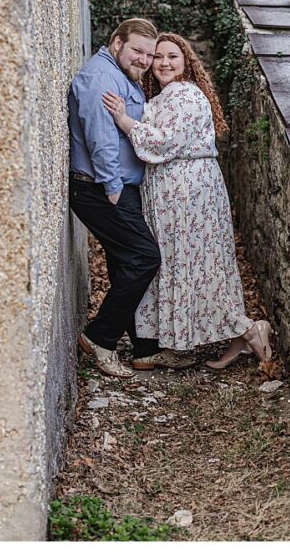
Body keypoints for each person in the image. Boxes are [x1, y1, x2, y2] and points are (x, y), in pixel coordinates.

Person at [102, 32, 272, 369]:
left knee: (198, 264)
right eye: (159, 57)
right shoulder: (164, 96)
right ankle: (220, 334)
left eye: (172, 57)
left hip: (190, 194)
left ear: (186, 62)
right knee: (181, 264)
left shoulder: (186, 95)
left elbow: (166, 142)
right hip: (172, 195)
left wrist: (124, 121)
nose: (164, 63)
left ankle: (250, 329)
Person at [68, 19, 196, 378]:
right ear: (116, 43)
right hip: (100, 188)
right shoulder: (101, 79)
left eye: (149, 54)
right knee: (144, 258)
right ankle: (100, 338)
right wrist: (112, 189)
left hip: (115, 187)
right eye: (137, 50)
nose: (144, 59)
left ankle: (144, 349)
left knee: (126, 263)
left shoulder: (121, 77)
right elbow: (101, 140)